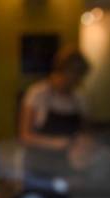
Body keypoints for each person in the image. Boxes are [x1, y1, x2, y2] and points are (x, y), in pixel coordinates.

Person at [18, 46, 91, 176]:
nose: (79, 82)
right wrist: (57, 143)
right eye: (77, 76)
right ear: (65, 72)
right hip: (39, 168)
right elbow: (25, 136)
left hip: (70, 169)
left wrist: (82, 147)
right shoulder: (38, 94)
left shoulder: (79, 99)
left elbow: (84, 132)